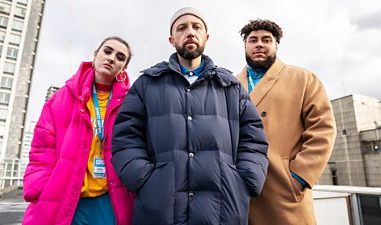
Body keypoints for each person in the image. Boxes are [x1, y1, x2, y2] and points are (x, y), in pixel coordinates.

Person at [111, 7, 268, 225]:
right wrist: (145, 179)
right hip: (161, 209)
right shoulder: (147, 84)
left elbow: (254, 139)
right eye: (182, 28)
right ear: (171, 39)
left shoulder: (231, 87)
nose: (190, 32)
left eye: (196, 27)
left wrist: (244, 180)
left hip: (224, 210)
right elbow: (125, 138)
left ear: (206, 36)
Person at [22, 36, 134, 225]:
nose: (112, 58)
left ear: (123, 68)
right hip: (66, 196)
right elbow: (42, 149)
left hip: (109, 199)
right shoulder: (60, 99)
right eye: (107, 51)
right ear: (95, 55)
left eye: (120, 57)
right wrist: (40, 189)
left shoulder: (131, 104)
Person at [237, 19, 337, 225]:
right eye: (252, 40)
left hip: (283, 189)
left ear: (276, 45)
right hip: (240, 189)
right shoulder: (230, 84)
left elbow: (323, 129)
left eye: (266, 40)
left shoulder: (303, 78)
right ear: (245, 45)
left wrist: (299, 177)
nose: (259, 44)